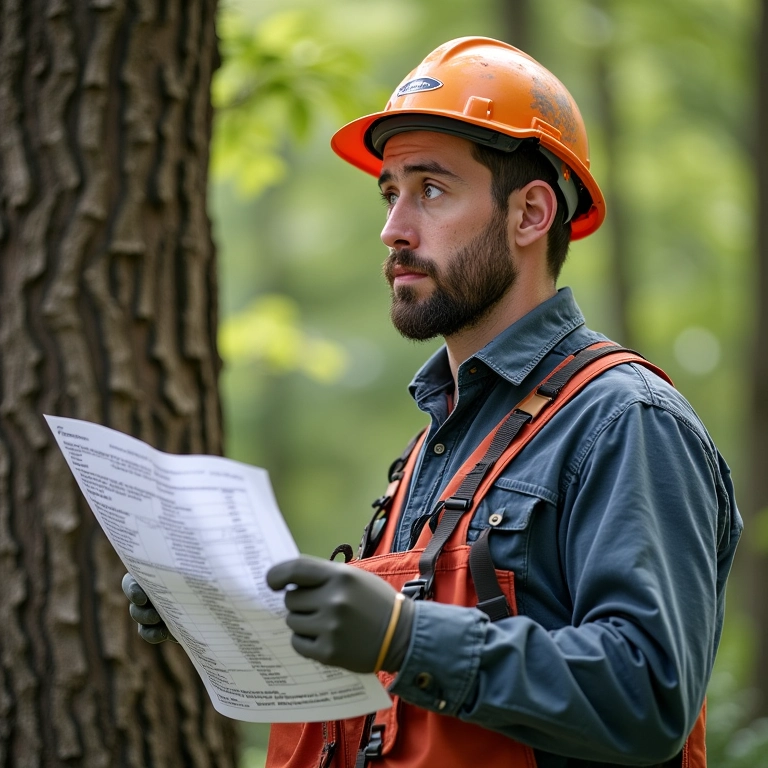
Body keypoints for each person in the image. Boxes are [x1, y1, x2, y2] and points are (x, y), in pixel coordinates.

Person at [123, 37, 742, 767]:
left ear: (531, 214)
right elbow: (387, 700)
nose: (393, 229)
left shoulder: (625, 420)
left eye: (432, 189)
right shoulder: (436, 445)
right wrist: (221, 616)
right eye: (390, 192)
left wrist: (405, 637)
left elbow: (648, 693)